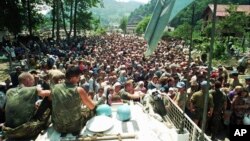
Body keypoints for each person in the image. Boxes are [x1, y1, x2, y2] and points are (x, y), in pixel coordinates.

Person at [3, 72, 51, 139]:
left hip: (8, 131)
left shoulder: (9, 91)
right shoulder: (33, 89)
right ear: (28, 80)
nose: (33, 83)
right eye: (33, 81)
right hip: (24, 131)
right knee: (49, 99)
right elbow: (48, 93)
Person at [51, 66, 96, 135]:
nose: (79, 78)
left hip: (58, 127)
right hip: (74, 127)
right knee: (90, 109)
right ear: (73, 77)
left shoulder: (54, 87)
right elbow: (92, 106)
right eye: (79, 77)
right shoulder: (79, 90)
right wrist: (89, 97)